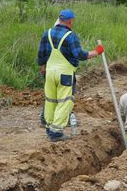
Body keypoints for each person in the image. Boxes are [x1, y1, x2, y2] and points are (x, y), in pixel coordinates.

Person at [37, 9, 104, 142]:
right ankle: (56, 133)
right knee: (64, 101)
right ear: (70, 21)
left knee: (50, 100)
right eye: (73, 21)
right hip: (65, 75)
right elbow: (80, 55)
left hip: (50, 72)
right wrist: (96, 51)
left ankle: (49, 127)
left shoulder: (47, 33)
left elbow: (41, 55)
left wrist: (43, 69)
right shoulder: (70, 36)